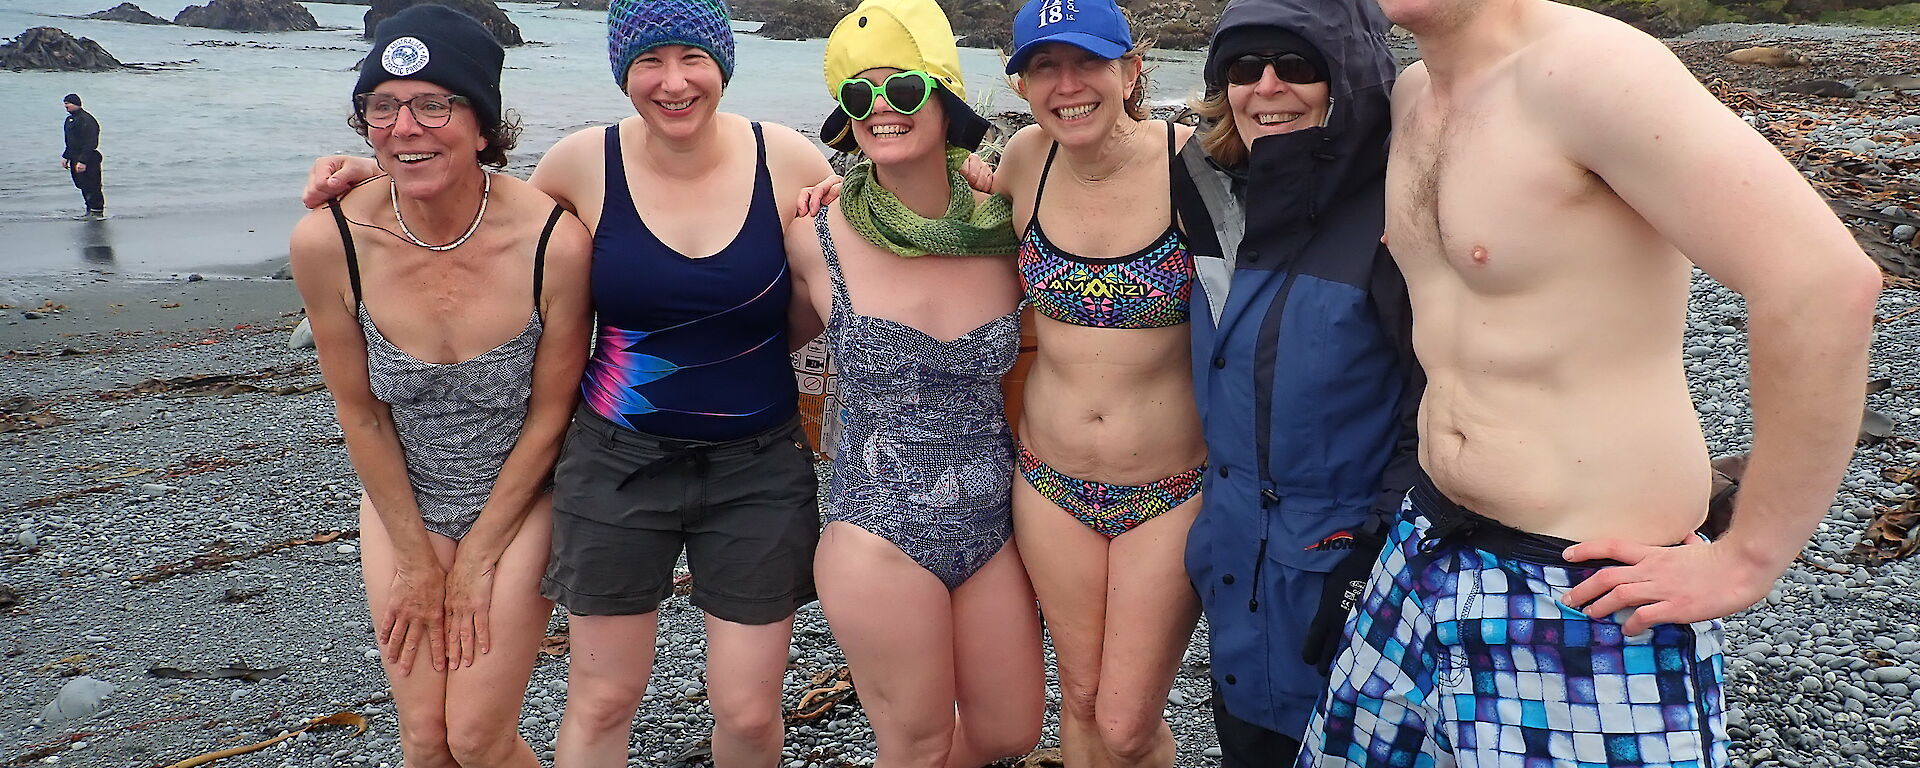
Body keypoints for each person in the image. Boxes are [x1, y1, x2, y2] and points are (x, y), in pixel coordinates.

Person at [1292, 0, 1882, 763]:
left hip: (1582, 589)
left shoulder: (1588, 74)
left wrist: (1750, 558)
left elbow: (1824, 284)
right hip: (1427, 547)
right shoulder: (1414, 92)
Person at [303, 1, 833, 764]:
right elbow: (477, 206)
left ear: (725, 64)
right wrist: (374, 172)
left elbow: (849, 252)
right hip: (616, 464)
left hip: (757, 466)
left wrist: (969, 173)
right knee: (605, 698)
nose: (673, 81)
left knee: (748, 713)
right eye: (650, 60)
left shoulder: (791, 160)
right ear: (622, 71)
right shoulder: (581, 164)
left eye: (692, 58)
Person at [287, 6, 592, 767]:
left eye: (433, 103)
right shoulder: (332, 242)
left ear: (484, 124)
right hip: (403, 499)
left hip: (520, 502)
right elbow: (360, 416)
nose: (404, 126)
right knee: (425, 742)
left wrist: (479, 557)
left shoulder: (553, 241)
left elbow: (552, 417)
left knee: (477, 739)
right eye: (381, 107)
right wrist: (421, 561)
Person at [785, 1, 1047, 766]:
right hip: (876, 531)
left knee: (1008, 731)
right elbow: (746, 335)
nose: (879, 111)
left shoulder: (1004, 224)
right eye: (858, 97)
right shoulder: (813, 233)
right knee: (918, 744)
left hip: (992, 524)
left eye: (901, 90)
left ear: (944, 98)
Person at [1169, 0, 1417, 765]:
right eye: (1244, 69)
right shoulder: (1210, 194)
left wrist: (1372, 555)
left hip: (1344, 569)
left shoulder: (1401, 208)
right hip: (1238, 558)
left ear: (1350, 79)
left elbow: (1443, 397)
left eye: (1298, 67)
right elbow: (1086, 139)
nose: (1267, 88)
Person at [991, 1, 1205, 764]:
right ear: (1020, 85)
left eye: (1088, 62)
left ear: (1132, 70)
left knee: (1124, 722)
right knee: (1077, 699)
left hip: (1171, 490)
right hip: (1049, 482)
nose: (1067, 84)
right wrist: (826, 197)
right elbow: (931, 216)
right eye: (1044, 66)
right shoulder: (1023, 161)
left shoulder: (1199, 165)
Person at [61, 93, 105, 219]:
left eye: (67, 103)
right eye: (64, 103)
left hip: (89, 157)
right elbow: (70, 142)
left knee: (92, 185)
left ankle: (97, 211)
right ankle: (89, 209)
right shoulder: (70, 120)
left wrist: (83, 161)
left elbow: (91, 142)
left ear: (76, 104)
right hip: (74, 156)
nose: (65, 106)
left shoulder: (87, 120)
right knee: (81, 184)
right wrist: (66, 156)